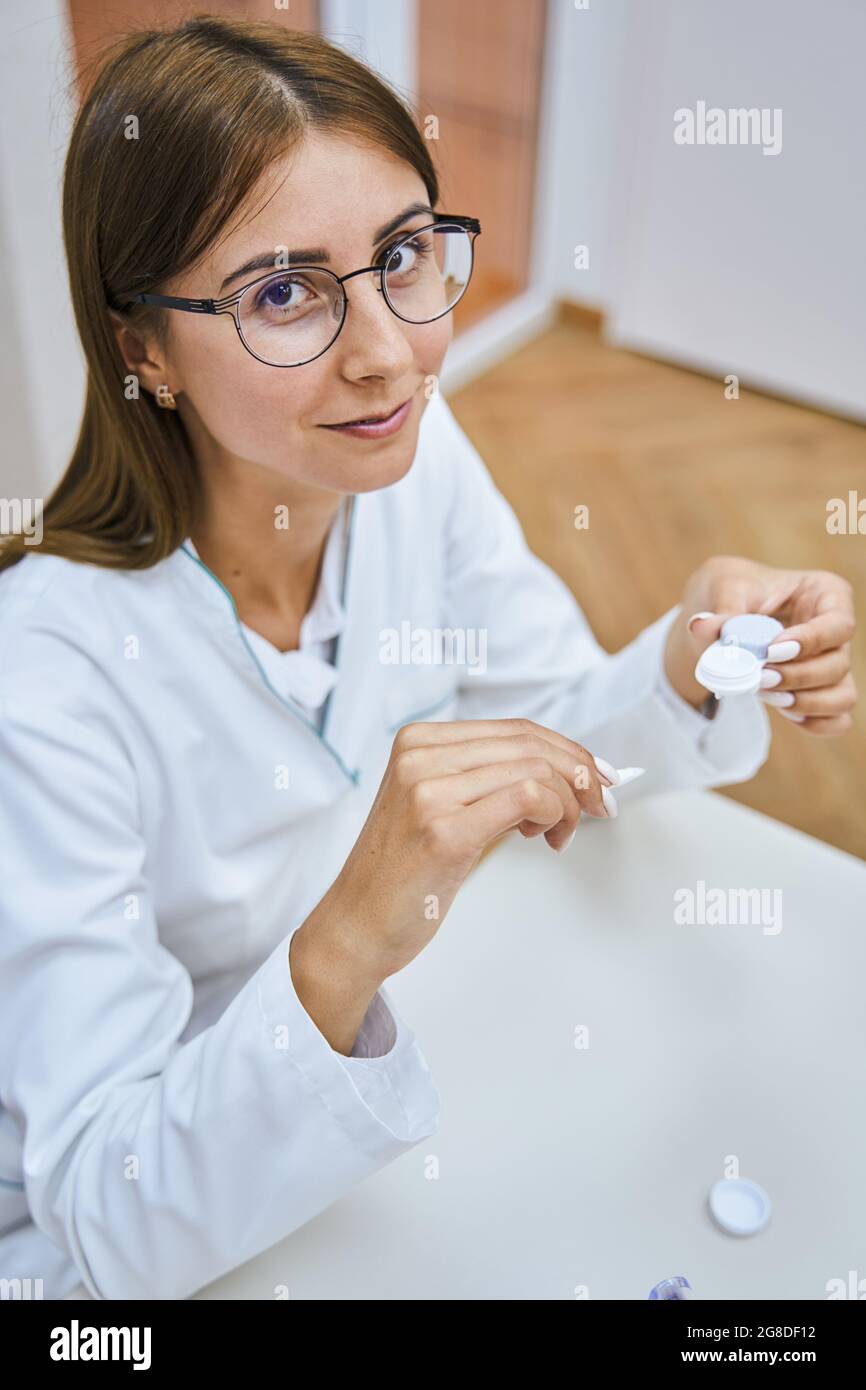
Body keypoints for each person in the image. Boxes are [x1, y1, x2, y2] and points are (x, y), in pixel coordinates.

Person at [0, 16, 856, 1301]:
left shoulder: (405, 456)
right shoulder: (49, 681)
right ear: (142, 351)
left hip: (412, 1073)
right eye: (283, 291)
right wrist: (350, 933)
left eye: (403, 256)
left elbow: (545, 731)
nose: (387, 351)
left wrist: (683, 662)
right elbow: (104, 1224)